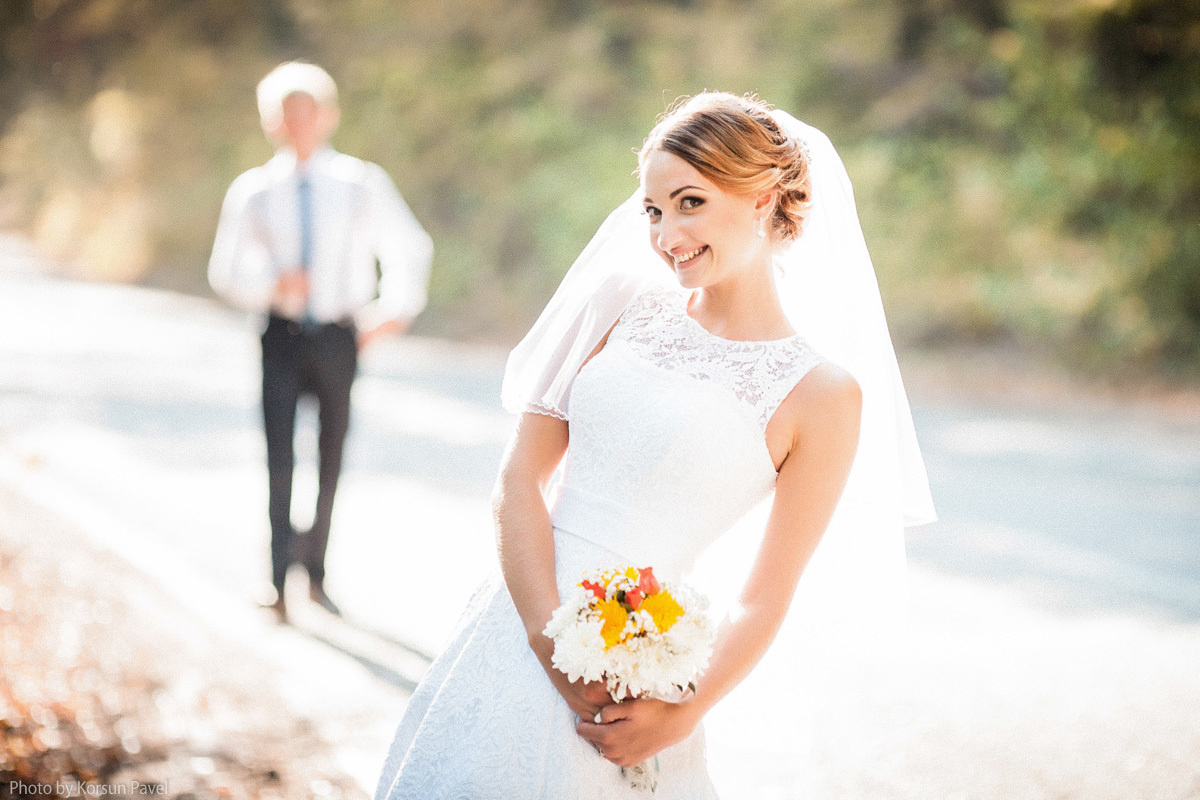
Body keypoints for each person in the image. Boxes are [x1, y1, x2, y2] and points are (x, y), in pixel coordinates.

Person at [374, 92, 935, 798]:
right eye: (652, 209)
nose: (667, 233)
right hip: (516, 623)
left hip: (635, 671)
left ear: (763, 198)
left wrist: (684, 710)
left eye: (690, 203)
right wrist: (548, 645)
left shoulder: (823, 395)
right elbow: (518, 479)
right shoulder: (618, 302)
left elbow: (765, 596)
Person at [208, 61, 433, 622]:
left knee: (331, 457)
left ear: (328, 116)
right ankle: (277, 578)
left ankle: (317, 573)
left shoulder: (360, 183)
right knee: (279, 457)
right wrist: (273, 286)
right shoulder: (255, 191)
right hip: (280, 335)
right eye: (288, 114)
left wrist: (393, 313)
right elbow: (225, 271)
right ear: (272, 123)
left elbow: (408, 245)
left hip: (338, 333)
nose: (300, 123)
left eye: (309, 111)